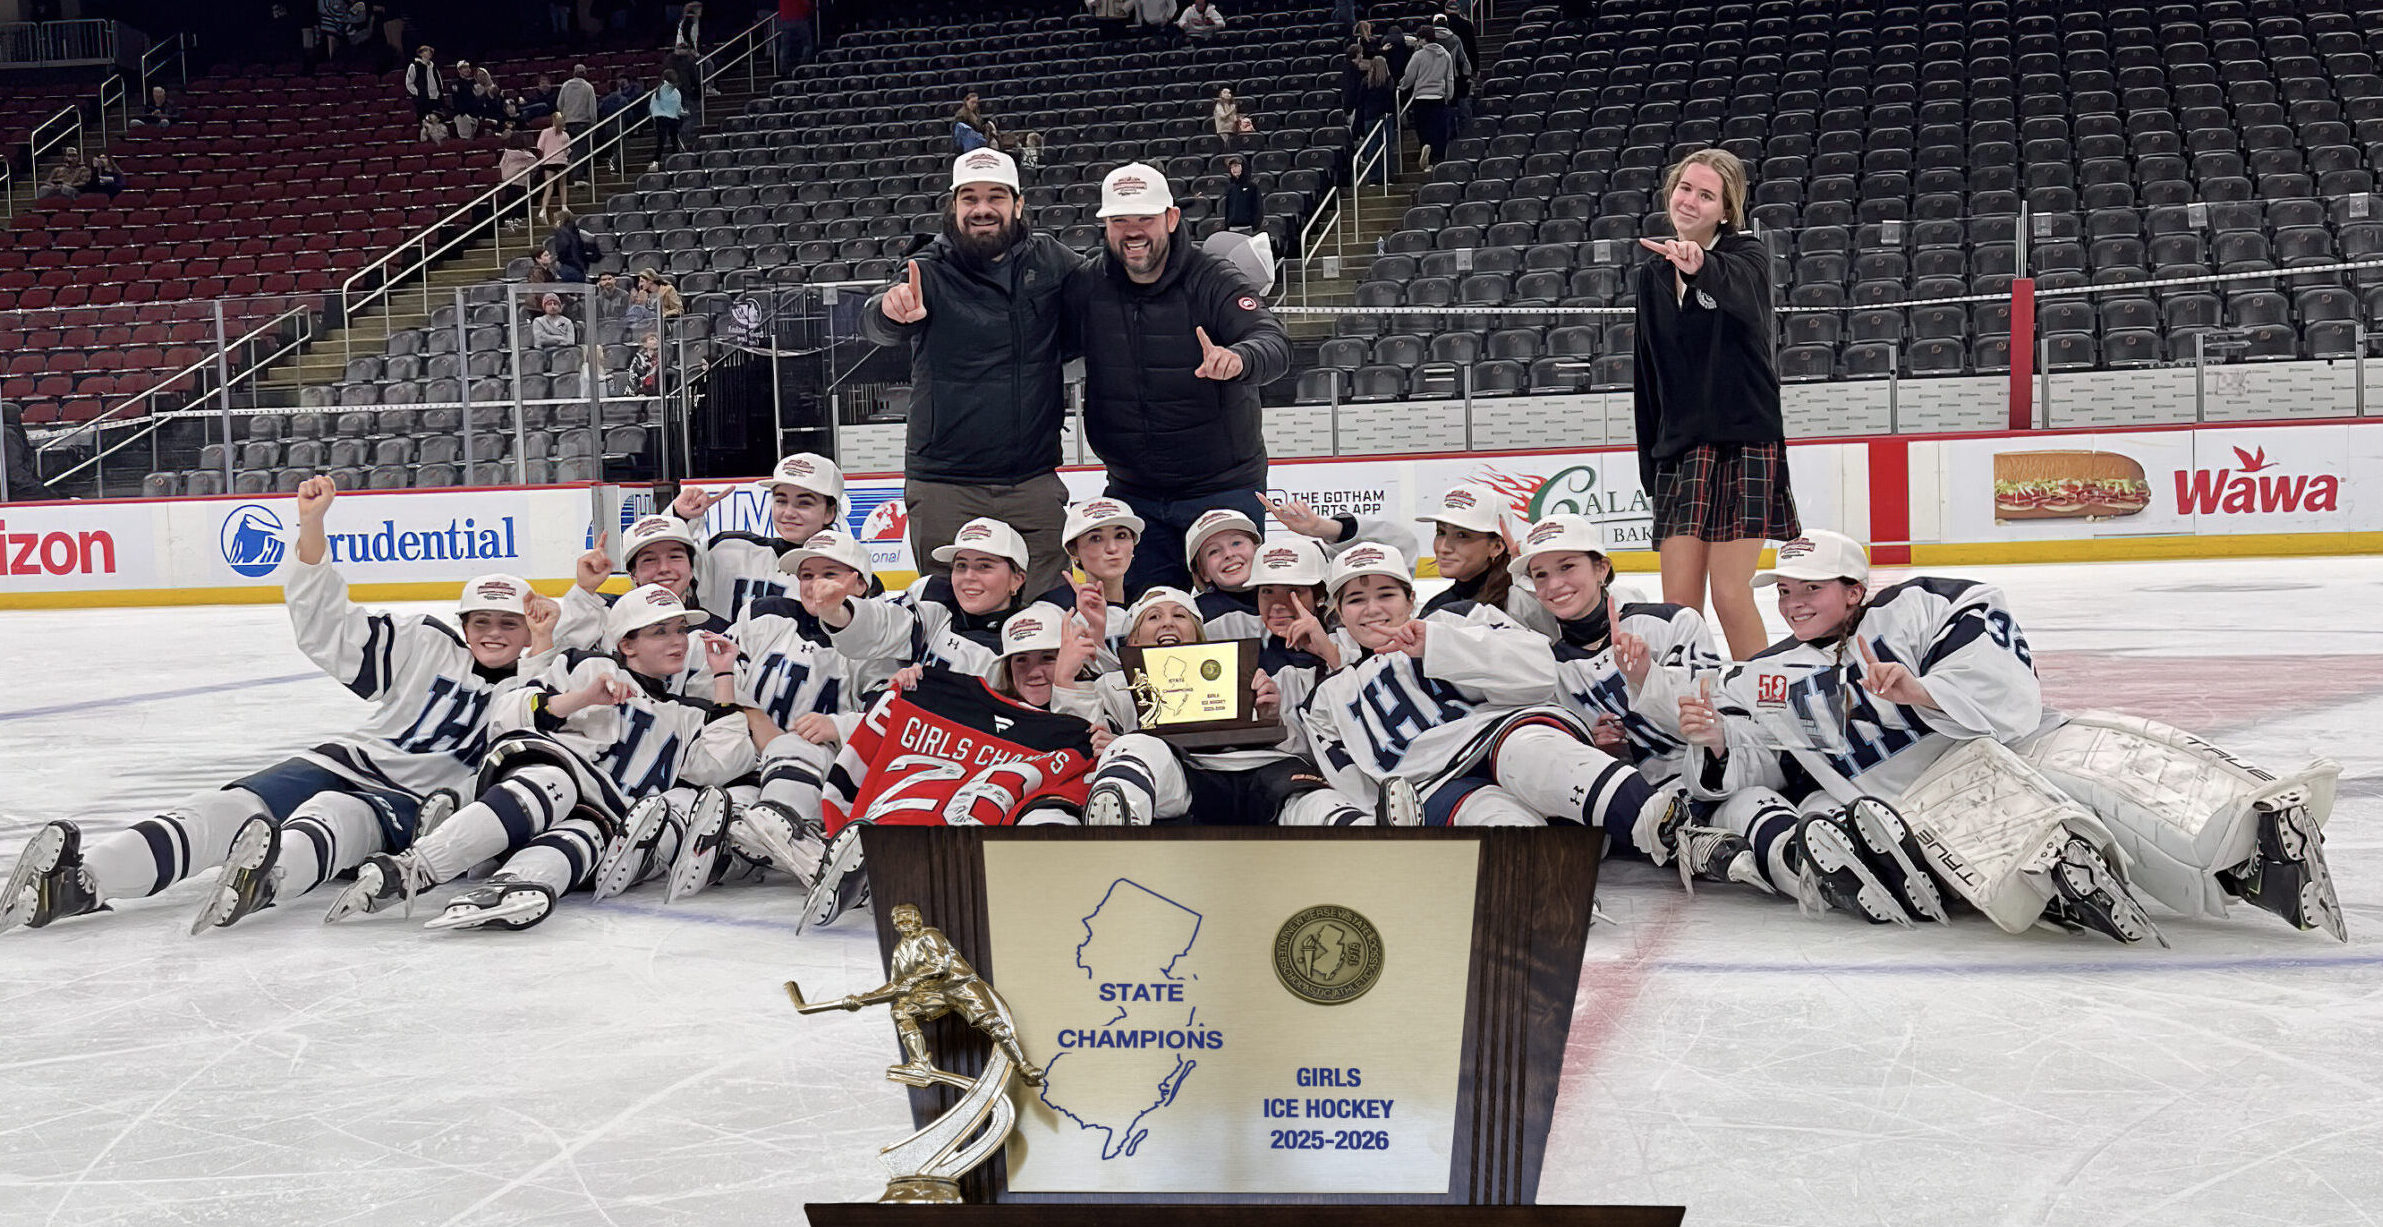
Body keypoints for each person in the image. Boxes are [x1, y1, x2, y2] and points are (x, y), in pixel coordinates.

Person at [1675, 530, 2346, 942]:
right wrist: (1716, 742)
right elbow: (1758, 763)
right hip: (1926, 798)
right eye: (1784, 591)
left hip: (2010, 744)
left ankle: (2247, 842)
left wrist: (1920, 690)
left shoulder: (1923, 604)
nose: (1792, 604)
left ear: (1854, 590)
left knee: (2104, 768)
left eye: (1811, 589)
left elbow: (2008, 694)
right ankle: (2076, 882)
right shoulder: (1760, 676)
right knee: (2034, 816)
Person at [0, 477, 542, 935]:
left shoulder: (542, 684)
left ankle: (268, 881)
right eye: (481, 621)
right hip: (345, 760)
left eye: (508, 623)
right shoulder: (425, 642)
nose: (493, 633)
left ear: (530, 628)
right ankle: (82, 882)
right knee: (223, 809)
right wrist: (312, 527)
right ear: (463, 623)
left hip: (409, 800)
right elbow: (327, 629)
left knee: (332, 817)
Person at [324, 584, 755, 932]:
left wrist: (723, 677)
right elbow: (509, 714)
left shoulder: (690, 714)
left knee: (588, 833)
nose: (678, 641)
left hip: (603, 817)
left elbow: (722, 764)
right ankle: (414, 867)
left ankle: (514, 884)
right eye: (660, 632)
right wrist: (583, 697)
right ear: (627, 643)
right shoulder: (586, 666)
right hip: (534, 791)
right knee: (555, 782)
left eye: (680, 630)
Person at [1297, 543, 1691, 848]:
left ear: (1410, 599)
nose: (1372, 609)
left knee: (1533, 754)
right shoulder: (1327, 698)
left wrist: (1437, 645)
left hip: (1504, 737)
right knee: (1494, 820)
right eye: (1356, 599)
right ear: (1338, 613)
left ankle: (1680, 835)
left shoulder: (1458, 618)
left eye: (1386, 594)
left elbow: (1539, 672)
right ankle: (1552, 893)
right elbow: (1353, 784)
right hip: (1436, 784)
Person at [1063, 162, 1291, 593]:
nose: (1132, 232)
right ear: (1105, 226)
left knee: (1234, 617)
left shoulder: (1213, 278)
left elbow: (1273, 342)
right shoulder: (1088, 285)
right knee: (1145, 619)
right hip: (1133, 490)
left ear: (1171, 218)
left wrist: (1239, 358)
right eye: (1119, 221)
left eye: (1145, 219)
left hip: (1223, 487)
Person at [862, 148, 1080, 596]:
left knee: (1050, 611)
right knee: (946, 615)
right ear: (954, 205)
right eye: (970, 198)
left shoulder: (1052, 261)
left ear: (1018, 204)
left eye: (995, 196)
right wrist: (888, 310)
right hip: (945, 483)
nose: (982, 209)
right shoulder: (926, 268)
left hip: (1032, 479)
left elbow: (1108, 297)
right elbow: (877, 321)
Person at [1632, 147, 1797, 659]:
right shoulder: (1652, 276)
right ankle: (1689, 699)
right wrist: (1650, 462)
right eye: (1685, 188)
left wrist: (1700, 265)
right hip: (1680, 450)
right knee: (1678, 609)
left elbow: (1740, 292)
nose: (1690, 201)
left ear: (1726, 211)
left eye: (1706, 195)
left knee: (1730, 594)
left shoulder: (1747, 257)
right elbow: (1648, 373)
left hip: (1744, 442)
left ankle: (1760, 696)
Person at [1057, 586, 1378, 828]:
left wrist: (1272, 719)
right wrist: (1067, 681)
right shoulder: (1115, 685)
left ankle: (1361, 834)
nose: (1168, 624)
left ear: (1200, 638)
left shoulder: (1244, 673)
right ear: (1134, 643)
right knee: (1135, 747)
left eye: (1180, 616)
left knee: (1309, 800)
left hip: (1263, 771)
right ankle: (1115, 826)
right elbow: (1081, 741)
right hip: (1184, 777)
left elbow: (1310, 744)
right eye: (1153, 617)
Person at [816, 516, 1049, 679]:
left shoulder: (1030, 637)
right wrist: (836, 612)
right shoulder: (933, 598)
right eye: (961, 565)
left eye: (984, 566)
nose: (968, 577)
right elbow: (884, 624)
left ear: (1017, 579)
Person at [664, 451, 849, 621]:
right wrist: (678, 517)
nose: (788, 513)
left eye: (804, 503)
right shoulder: (728, 548)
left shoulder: (846, 571)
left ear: (830, 512)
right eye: (781, 500)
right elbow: (663, 565)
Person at [1413, 483, 1552, 634]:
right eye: (1441, 532)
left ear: (1497, 547)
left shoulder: (1520, 601)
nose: (1443, 547)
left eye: (1462, 535)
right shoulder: (1437, 605)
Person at [1399, 29, 1457, 170]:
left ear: (1424, 39)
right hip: (1438, 97)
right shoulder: (1446, 55)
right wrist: (1449, 95)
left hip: (1421, 97)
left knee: (1423, 129)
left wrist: (1402, 86)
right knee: (1439, 130)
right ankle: (1438, 160)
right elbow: (1449, 78)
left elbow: (1410, 75)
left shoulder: (1418, 55)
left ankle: (1426, 153)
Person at [2, 403, 58, 501]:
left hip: (16, 485)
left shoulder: (12, 432)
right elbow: (14, 469)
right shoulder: (8, 435)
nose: (23, 416)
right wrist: (32, 485)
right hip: (17, 489)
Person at [533, 113, 571, 223]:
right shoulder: (565, 135)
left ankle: (543, 210)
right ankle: (564, 206)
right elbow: (568, 151)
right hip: (562, 162)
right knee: (562, 185)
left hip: (549, 162)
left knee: (549, 186)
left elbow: (540, 147)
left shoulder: (545, 132)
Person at [647, 68, 684, 171]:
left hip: (661, 117)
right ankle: (676, 159)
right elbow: (678, 106)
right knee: (674, 139)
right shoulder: (675, 92)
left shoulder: (658, 91)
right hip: (672, 117)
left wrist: (654, 116)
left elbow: (653, 105)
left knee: (661, 141)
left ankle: (656, 162)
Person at [549, 210, 599, 281]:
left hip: (569, 265)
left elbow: (563, 247)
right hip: (579, 265)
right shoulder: (574, 230)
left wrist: (560, 260)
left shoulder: (562, 231)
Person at [1220, 157, 1261, 230]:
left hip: (1248, 227)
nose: (1233, 169)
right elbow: (1228, 209)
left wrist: (1254, 226)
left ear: (1243, 167)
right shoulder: (1230, 188)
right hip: (1232, 228)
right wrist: (1227, 225)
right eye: (1231, 167)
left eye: (1236, 166)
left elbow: (1258, 208)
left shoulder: (1252, 187)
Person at [405, 45, 445, 119]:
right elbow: (409, 83)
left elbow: (439, 82)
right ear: (420, 54)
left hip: (435, 98)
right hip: (423, 100)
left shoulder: (434, 66)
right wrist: (418, 93)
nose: (429, 53)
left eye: (430, 51)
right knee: (425, 121)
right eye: (426, 51)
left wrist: (439, 93)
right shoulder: (414, 66)